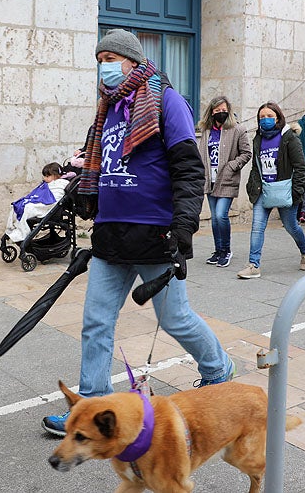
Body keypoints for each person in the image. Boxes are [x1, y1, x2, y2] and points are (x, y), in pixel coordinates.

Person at [41, 29, 233, 437]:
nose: (104, 66)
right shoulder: (105, 110)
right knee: (95, 322)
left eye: (111, 57)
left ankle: (218, 368)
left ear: (131, 60)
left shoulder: (166, 100)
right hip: (111, 236)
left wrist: (184, 226)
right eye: (100, 58)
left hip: (155, 235)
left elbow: (188, 168)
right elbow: (103, 163)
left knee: (175, 319)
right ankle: (91, 408)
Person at [238, 102, 305, 279]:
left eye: (269, 116)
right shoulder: (258, 138)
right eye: (262, 117)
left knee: (291, 225)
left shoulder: (289, 137)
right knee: (257, 227)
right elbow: (256, 166)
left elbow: (301, 166)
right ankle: (254, 265)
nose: (265, 120)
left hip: (284, 190)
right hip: (262, 189)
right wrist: (252, 185)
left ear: (278, 117)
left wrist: (296, 192)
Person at [197, 96, 251, 268]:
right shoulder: (206, 130)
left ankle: (226, 250)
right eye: (217, 110)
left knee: (221, 215)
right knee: (214, 219)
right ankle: (218, 250)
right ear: (211, 111)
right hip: (209, 180)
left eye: (223, 110)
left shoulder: (237, 129)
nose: (221, 113)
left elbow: (246, 153)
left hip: (227, 178)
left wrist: (231, 166)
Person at [3, 162, 72, 243]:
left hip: (49, 206)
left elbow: (54, 198)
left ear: (55, 175)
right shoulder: (48, 183)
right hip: (44, 202)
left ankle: (22, 233)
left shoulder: (60, 184)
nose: (45, 179)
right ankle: (16, 230)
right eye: (44, 176)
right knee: (19, 205)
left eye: (47, 176)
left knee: (28, 208)